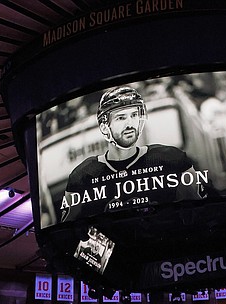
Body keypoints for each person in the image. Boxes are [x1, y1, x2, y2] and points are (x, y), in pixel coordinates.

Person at [60, 86, 206, 222]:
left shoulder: (172, 159)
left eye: (134, 115)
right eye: (121, 118)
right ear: (105, 127)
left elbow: (202, 212)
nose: (130, 124)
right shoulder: (82, 176)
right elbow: (65, 231)